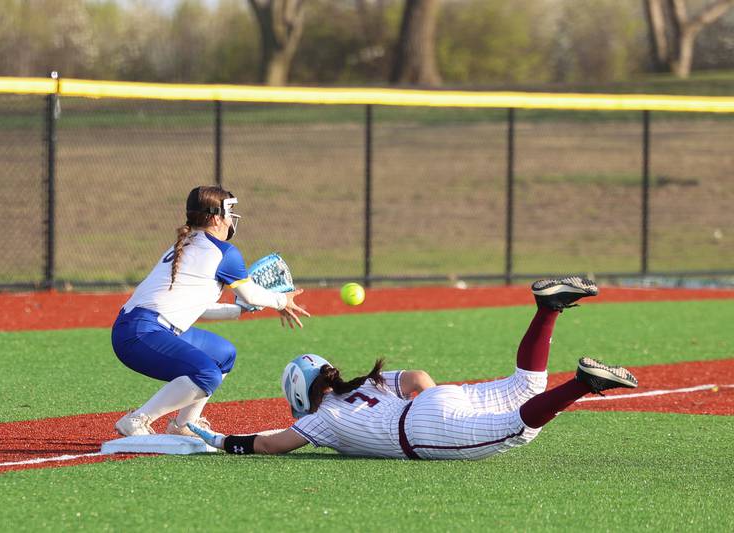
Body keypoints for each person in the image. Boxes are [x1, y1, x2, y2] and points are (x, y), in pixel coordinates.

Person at [187, 276, 639, 459]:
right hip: (434, 402)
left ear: (299, 396)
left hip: (425, 430)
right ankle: (549, 308)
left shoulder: (324, 419)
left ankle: (582, 383)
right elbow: (421, 380)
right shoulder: (367, 383)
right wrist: (444, 406)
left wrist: (220, 439)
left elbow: (269, 445)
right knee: (526, 384)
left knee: (518, 426)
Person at [111, 185, 310, 438]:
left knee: (223, 354)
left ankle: (185, 425)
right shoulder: (223, 252)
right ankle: (137, 420)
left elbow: (198, 309)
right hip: (142, 333)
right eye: (229, 212)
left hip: (139, 329)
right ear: (216, 217)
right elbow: (250, 294)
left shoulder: (187, 243)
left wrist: (240, 311)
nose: (232, 219)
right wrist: (281, 301)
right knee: (206, 373)